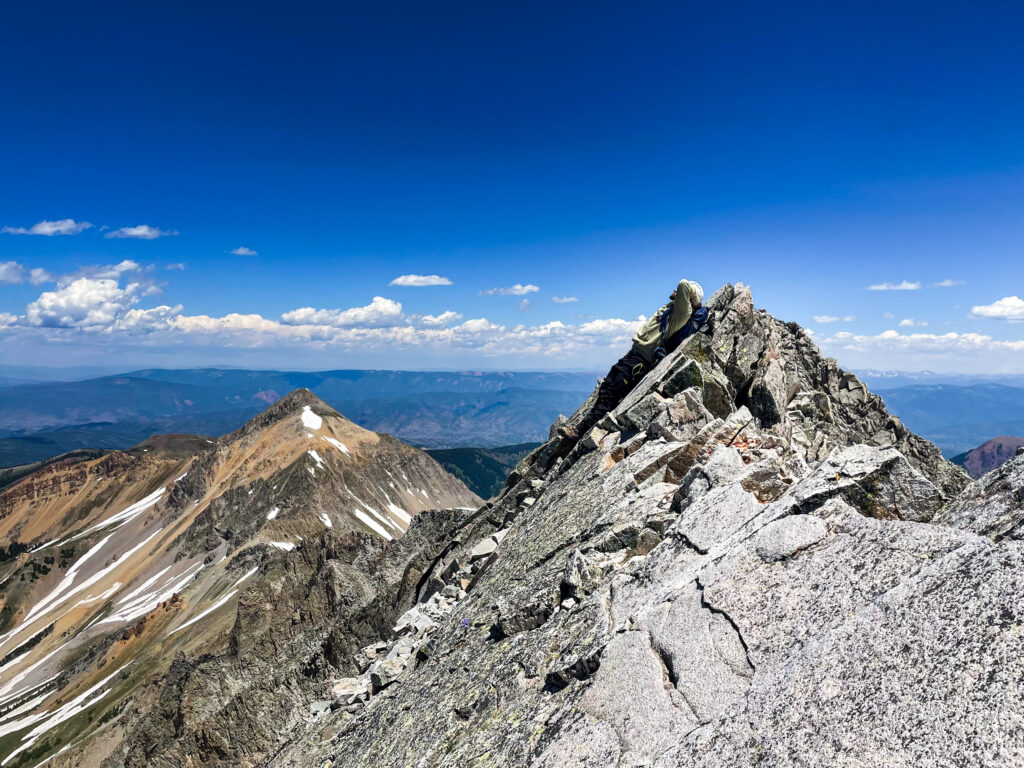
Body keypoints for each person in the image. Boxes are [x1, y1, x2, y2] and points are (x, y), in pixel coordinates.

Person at [558, 278, 705, 445]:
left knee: (611, 393)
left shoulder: (682, 314)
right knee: (607, 387)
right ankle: (583, 428)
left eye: (679, 293)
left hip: (640, 361)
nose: (675, 291)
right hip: (633, 355)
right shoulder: (672, 310)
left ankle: (579, 431)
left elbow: (683, 284)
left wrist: (695, 301)